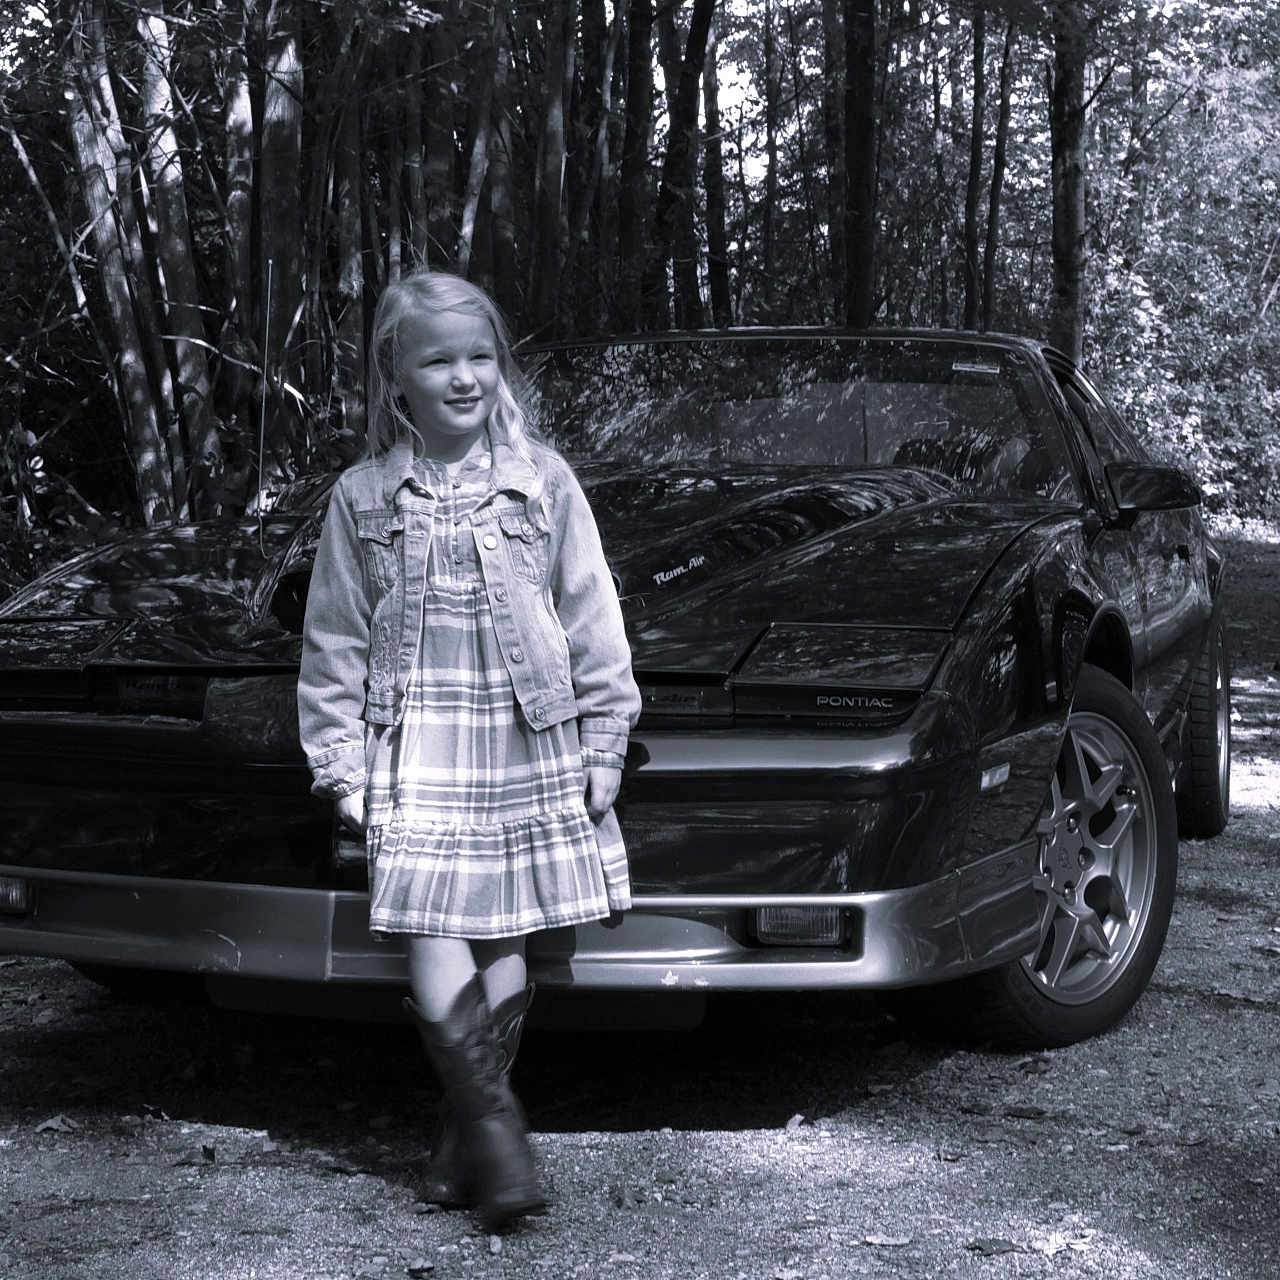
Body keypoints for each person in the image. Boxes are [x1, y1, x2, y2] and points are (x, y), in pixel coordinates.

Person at [297, 269, 640, 1231]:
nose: (464, 377)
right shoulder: (363, 496)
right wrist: (339, 759)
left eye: (480, 357)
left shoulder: (543, 481)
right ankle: (496, 1129)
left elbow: (592, 615)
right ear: (395, 377)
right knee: (431, 922)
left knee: (506, 933)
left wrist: (605, 737)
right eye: (438, 360)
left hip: (527, 729)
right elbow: (335, 637)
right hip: (417, 736)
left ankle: (469, 1145)